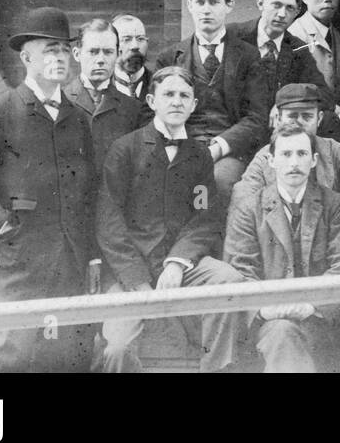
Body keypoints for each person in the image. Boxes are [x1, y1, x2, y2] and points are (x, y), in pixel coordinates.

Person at [0, 7, 97, 372]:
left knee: (68, 361)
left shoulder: (78, 118)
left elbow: (90, 194)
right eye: (50, 49)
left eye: (65, 49)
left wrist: (92, 253)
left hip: (71, 264)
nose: (60, 57)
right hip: (19, 266)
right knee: (9, 359)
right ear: (26, 56)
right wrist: (3, 227)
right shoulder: (0, 108)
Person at [94, 66, 244, 373]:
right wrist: (136, 280)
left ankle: (214, 368)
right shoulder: (125, 149)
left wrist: (178, 262)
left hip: (178, 264)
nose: (176, 102)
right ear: (151, 101)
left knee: (230, 280)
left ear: (193, 105)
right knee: (118, 349)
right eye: (168, 95)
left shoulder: (199, 155)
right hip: (129, 271)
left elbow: (203, 217)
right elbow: (109, 223)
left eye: (184, 96)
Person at [223, 120, 340, 372]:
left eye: (301, 154)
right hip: (268, 323)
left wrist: (311, 306)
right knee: (282, 333)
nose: (294, 163)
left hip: (319, 320)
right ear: (271, 161)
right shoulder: (249, 209)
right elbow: (240, 269)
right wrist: (267, 309)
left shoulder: (334, 205)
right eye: (285, 154)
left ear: (314, 160)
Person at [155, 0, 272, 203]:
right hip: (182, 146)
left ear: (229, 5)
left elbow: (257, 117)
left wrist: (219, 147)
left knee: (220, 182)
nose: (206, 9)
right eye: (200, 2)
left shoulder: (249, 57)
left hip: (230, 150)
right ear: (189, 5)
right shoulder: (169, 58)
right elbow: (157, 115)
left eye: (214, 2)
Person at [233, 83, 340, 218]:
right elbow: (244, 201)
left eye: (307, 116)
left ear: (319, 119)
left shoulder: (337, 152)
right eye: (292, 116)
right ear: (278, 119)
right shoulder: (265, 158)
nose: (299, 123)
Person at [225, 0, 337, 137]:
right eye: (276, 5)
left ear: (298, 11)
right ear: (260, 3)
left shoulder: (298, 49)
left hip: (280, 133)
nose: (282, 14)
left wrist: (285, 102)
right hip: (238, 129)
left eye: (290, 8)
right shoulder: (232, 36)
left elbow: (324, 95)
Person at [65, 18, 145, 173]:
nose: (101, 60)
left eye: (108, 52)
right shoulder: (60, 101)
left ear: (117, 55)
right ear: (77, 54)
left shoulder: (133, 109)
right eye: (93, 52)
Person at [111, 13, 153, 101]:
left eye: (140, 39)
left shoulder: (159, 85)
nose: (135, 46)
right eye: (127, 39)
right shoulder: (100, 86)